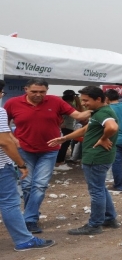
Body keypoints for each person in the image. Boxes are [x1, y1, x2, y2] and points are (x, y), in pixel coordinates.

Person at [4, 78, 91, 234]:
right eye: (34, 91)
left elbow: (78, 115)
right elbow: (4, 124)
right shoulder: (12, 103)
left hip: (49, 150)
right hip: (24, 150)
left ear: (47, 90)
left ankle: (29, 219)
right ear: (26, 89)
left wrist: (98, 108)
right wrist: (13, 138)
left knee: (40, 185)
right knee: (27, 185)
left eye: (42, 92)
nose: (38, 95)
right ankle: (32, 214)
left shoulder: (55, 102)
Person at [48, 86, 119, 235]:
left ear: (98, 99)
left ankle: (94, 224)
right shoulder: (98, 112)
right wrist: (65, 138)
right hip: (99, 156)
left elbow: (112, 127)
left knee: (96, 191)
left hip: (96, 157)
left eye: (86, 100)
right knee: (100, 188)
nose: (84, 104)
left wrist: (103, 138)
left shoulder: (103, 113)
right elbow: (87, 128)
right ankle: (109, 218)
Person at [0, 80, 56, 251]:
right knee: (10, 202)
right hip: (1, 166)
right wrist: (21, 164)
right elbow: (4, 142)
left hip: (44, 149)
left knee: (36, 186)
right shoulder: (1, 111)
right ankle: (24, 240)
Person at [54, 90, 83, 171]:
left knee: (63, 145)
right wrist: (78, 101)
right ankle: (59, 162)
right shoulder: (68, 104)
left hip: (66, 126)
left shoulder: (63, 103)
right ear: (72, 96)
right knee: (64, 145)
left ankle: (59, 161)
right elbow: (80, 112)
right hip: (66, 127)